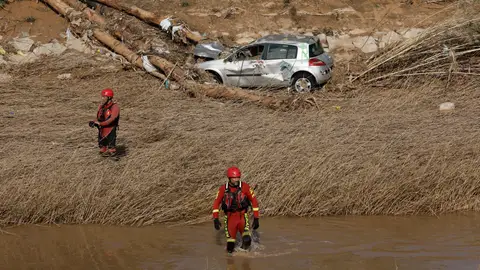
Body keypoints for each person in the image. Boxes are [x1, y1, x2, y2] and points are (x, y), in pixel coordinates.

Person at [212, 166, 260, 254]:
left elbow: (254, 201)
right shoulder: (223, 189)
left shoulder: (245, 187)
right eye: (234, 178)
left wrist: (256, 218)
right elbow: (216, 203)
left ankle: (245, 258)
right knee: (230, 246)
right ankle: (230, 263)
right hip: (230, 218)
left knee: (247, 239)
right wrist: (215, 218)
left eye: (238, 177)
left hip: (242, 217)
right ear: (229, 178)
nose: (237, 180)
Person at [89, 88, 120, 156]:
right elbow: (99, 118)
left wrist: (101, 124)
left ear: (109, 98)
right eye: (102, 97)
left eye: (104, 97)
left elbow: (112, 119)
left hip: (110, 130)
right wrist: (93, 122)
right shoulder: (101, 106)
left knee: (111, 150)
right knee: (102, 149)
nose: (102, 98)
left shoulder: (114, 107)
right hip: (102, 130)